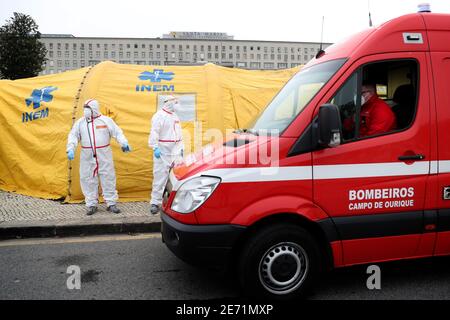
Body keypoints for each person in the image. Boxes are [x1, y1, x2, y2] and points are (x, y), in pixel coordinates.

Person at [67, 99, 131, 216]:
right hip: (87, 155)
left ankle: (111, 203)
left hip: (104, 153)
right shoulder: (80, 123)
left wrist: (124, 143)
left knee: (108, 177)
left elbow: (117, 133)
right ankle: (91, 204)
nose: (86, 111)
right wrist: (71, 148)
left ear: (94, 109)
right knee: (87, 178)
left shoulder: (106, 121)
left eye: (88, 108)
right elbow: (73, 136)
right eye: (85, 108)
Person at [149, 95, 184, 215]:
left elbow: (179, 133)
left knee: (178, 175)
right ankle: (155, 202)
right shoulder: (159, 116)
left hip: (175, 150)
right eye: (176, 102)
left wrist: (181, 148)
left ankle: (175, 201)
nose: (177, 105)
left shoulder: (175, 116)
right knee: (160, 176)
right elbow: (154, 132)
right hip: (163, 150)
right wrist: (155, 147)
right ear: (169, 103)